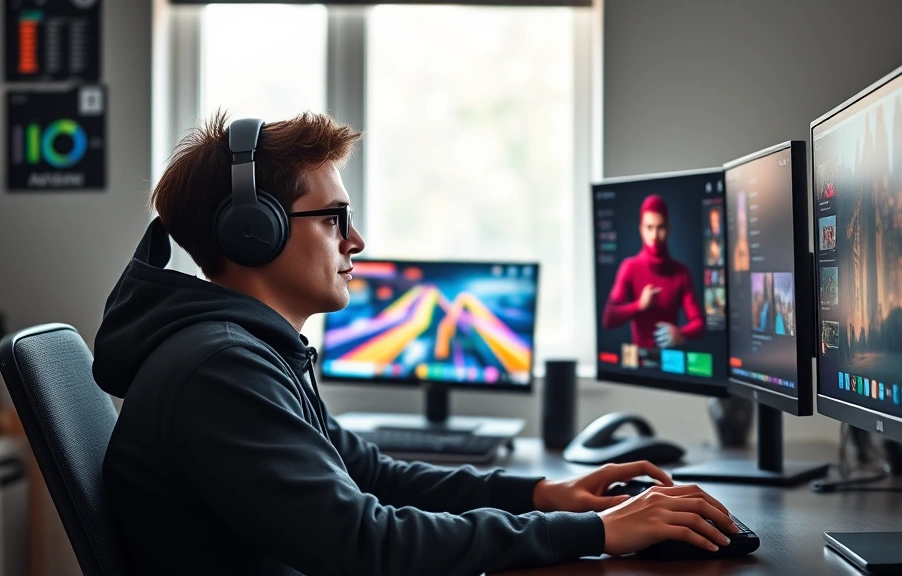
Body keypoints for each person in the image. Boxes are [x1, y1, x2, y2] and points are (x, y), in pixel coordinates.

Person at [93, 113, 736, 576]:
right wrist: (596, 531)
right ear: (252, 233)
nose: (357, 241)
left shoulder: (249, 353)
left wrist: (544, 495)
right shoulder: (220, 369)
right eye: (334, 219)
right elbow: (364, 544)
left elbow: (368, 475)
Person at [602, 195, 705, 349]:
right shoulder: (629, 267)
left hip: (670, 366)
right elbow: (608, 319)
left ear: (668, 229)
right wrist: (639, 305)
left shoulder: (681, 273)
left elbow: (700, 324)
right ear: (641, 229)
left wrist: (681, 333)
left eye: (660, 227)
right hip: (637, 367)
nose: (654, 236)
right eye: (649, 228)